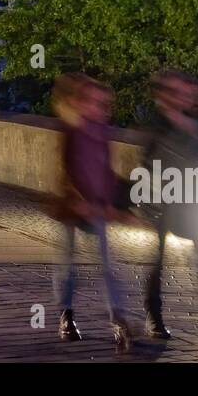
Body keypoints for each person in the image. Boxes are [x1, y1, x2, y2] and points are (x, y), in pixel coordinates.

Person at [50, 73, 134, 349]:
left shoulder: (102, 133)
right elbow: (67, 170)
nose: (103, 110)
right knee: (67, 265)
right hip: (74, 207)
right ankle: (66, 316)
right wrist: (81, 199)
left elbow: (106, 170)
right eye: (97, 104)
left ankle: (118, 319)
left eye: (105, 104)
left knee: (108, 266)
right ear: (81, 103)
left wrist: (112, 202)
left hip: (97, 206)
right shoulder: (72, 132)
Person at [139, 70, 198, 340]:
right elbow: (148, 160)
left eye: (185, 93)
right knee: (159, 259)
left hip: (187, 200)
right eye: (176, 92)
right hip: (162, 200)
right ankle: (154, 316)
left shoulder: (192, 123)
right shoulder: (159, 123)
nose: (182, 97)